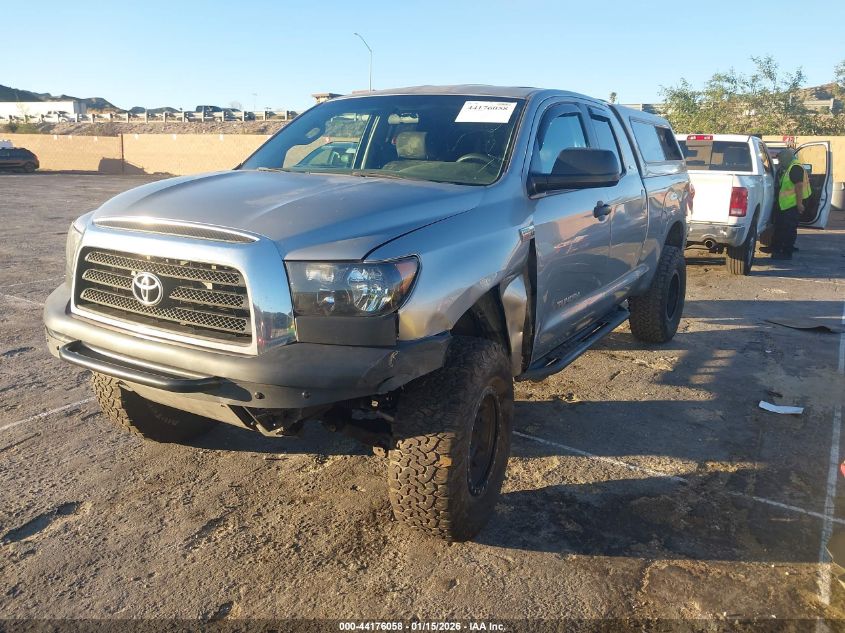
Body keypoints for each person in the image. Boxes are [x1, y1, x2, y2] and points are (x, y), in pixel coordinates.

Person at [771, 148, 811, 260]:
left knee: (789, 229)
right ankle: (778, 248)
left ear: (785, 158)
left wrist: (799, 204)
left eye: (780, 160)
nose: (780, 162)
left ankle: (786, 252)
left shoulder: (795, 168)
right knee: (783, 228)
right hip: (786, 204)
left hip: (792, 205)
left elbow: (799, 187)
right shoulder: (790, 167)